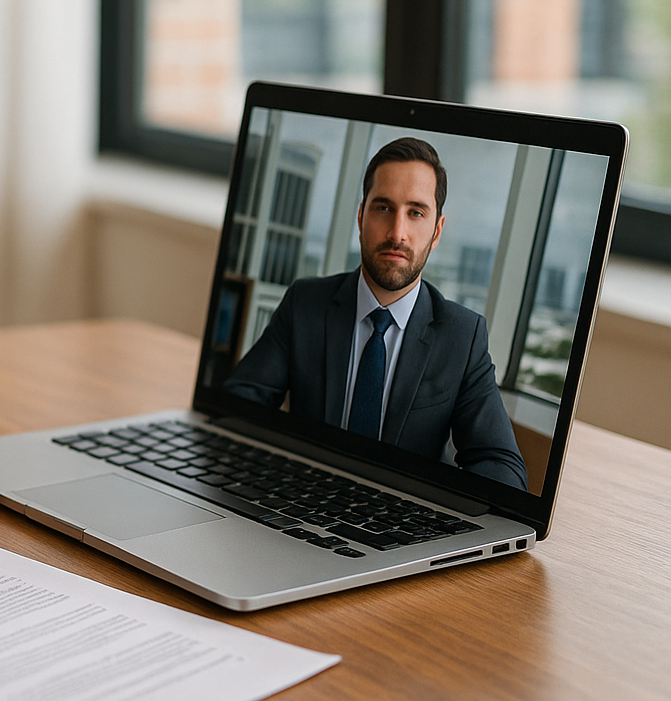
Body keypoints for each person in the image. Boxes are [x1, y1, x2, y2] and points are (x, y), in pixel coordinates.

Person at [223, 138, 528, 491]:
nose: (397, 233)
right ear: (361, 217)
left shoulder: (463, 336)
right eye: (383, 208)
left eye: (416, 212)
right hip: (303, 496)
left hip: (404, 512)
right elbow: (237, 407)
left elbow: (503, 468)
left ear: (437, 231)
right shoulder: (305, 303)